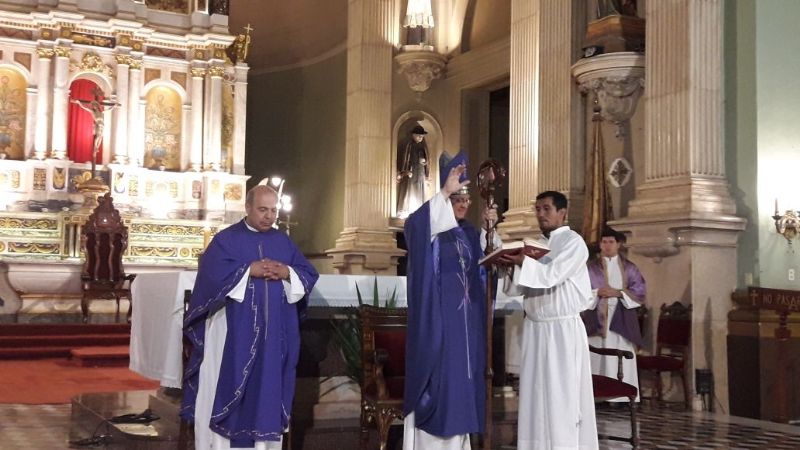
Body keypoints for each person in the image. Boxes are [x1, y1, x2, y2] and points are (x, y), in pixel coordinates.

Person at [181, 185, 319, 450]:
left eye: (274, 210)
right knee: (231, 388)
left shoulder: (283, 242)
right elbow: (210, 276)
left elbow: (307, 273)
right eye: (263, 209)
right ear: (247, 207)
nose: (269, 216)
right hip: (231, 333)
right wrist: (247, 270)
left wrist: (287, 272)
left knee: (266, 390)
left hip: (273, 338)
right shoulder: (226, 240)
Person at [403, 152, 498, 450]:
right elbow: (415, 228)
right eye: (457, 196)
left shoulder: (468, 233)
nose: (464, 203)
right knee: (441, 382)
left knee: (462, 383)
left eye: (467, 198)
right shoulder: (427, 227)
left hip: (466, 328)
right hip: (439, 325)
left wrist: (489, 231)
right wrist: (444, 191)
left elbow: (485, 267)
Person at [499, 191, 598, 450]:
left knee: (561, 396)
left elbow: (552, 275)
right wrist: (510, 265)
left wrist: (524, 262)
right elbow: (517, 289)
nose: (541, 214)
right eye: (538, 209)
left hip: (561, 329)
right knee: (534, 396)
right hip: (535, 328)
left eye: (546, 209)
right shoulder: (536, 244)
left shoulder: (573, 242)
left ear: (562, 213)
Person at [582, 227, 646, 402]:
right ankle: (596, 396)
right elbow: (581, 292)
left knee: (621, 351)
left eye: (611, 242)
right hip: (597, 316)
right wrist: (597, 293)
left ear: (618, 244)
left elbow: (640, 292)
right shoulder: (591, 268)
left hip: (621, 317)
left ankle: (623, 397)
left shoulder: (629, 268)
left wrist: (618, 293)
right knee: (597, 353)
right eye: (604, 242)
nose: (607, 246)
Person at [396, 125, 431, 218]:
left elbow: (427, 159)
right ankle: (406, 209)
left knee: (420, 189)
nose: (420, 138)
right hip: (412, 171)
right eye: (419, 136)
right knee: (410, 189)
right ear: (413, 135)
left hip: (420, 172)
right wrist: (406, 170)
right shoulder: (409, 145)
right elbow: (405, 159)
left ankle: (419, 210)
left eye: (422, 136)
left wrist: (424, 162)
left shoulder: (423, 146)